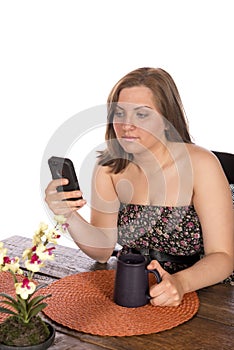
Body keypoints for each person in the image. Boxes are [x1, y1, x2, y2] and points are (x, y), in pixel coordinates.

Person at [45, 67, 234, 306]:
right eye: (119, 113)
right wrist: (66, 214)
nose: (126, 125)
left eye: (142, 115)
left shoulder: (201, 165)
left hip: (202, 290)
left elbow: (223, 257)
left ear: (167, 120)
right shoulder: (108, 168)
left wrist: (181, 283)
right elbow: (103, 250)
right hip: (131, 285)